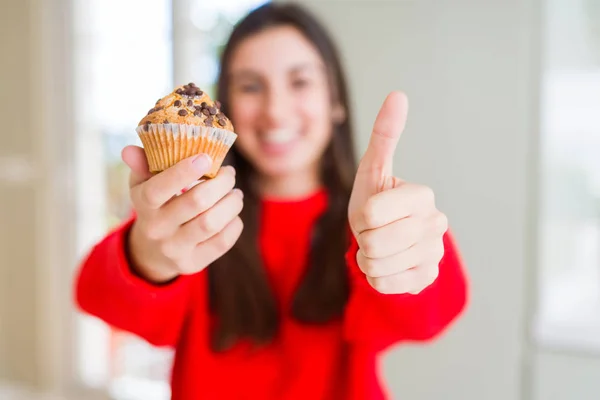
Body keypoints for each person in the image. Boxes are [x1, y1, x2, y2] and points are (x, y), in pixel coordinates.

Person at [75, 3, 468, 400]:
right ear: (224, 110)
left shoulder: (376, 218)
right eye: (250, 86)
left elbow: (430, 316)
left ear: (335, 100)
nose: (275, 112)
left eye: (299, 82)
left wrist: (405, 256)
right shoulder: (197, 215)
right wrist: (149, 255)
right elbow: (97, 296)